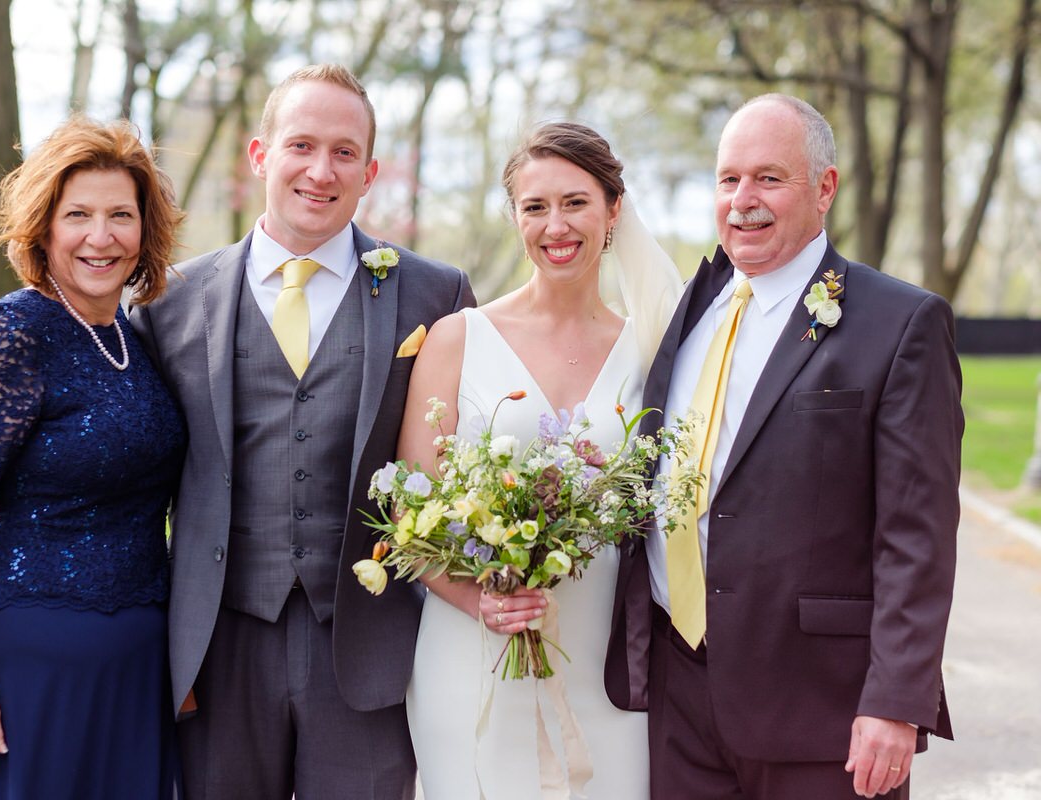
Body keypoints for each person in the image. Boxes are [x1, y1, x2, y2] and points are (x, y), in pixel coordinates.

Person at [130, 63, 475, 800]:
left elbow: (461, 461)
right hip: (218, 645)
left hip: (370, 644)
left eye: (345, 152)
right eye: (301, 145)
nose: (321, 170)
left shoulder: (433, 293)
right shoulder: (170, 304)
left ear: (370, 171)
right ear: (260, 156)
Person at [604, 94, 962, 800]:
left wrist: (894, 701)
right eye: (729, 179)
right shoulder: (693, 310)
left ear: (824, 189)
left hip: (821, 710)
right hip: (680, 696)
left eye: (769, 178)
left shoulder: (901, 323)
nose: (743, 200)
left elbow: (916, 537)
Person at [0, 117, 188, 799]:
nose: (102, 236)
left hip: (130, 674)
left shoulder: (130, 338)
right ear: (43, 228)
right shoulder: (13, 337)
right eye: (78, 215)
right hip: (22, 673)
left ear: (145, 231)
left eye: (121, 215)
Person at [398, 122, 683, 798]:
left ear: (614, 210)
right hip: (472, 653)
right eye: (535, 206)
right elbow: (409, 519)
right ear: (516, 218)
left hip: (606, 660)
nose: (556, 225)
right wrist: (481, 600)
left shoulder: (651, 350)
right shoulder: (457, 339)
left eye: (576, 202)